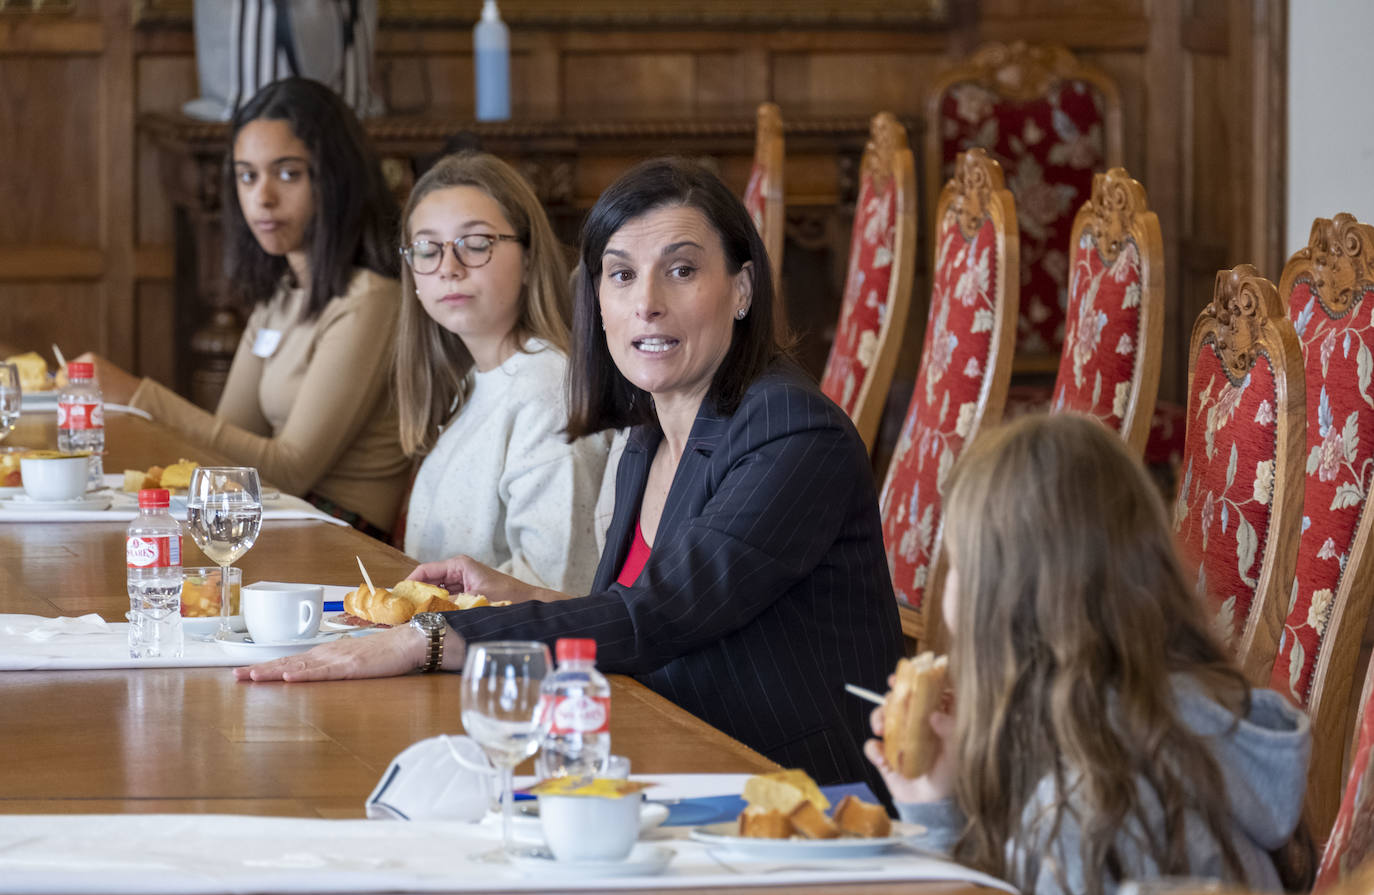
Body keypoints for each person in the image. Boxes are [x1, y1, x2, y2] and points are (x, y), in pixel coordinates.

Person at [240, 157, 905, 786]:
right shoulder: (648, 430)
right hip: (665, 753)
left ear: (741, 289)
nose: (646, 303)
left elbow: (661, 617)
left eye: (680, 271)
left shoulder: (790, 433)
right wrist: (518, 596)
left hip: (786, 796)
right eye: (621, 275)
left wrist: (431, 638)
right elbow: (637, 614)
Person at [865, 413, 1311, 895]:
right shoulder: (1169, 727)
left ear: (1003, 607)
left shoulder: (1084, 809)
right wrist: (937, 806)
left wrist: (936, 823)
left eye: (958, 569)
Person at [76, 77, 407, 536]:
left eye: (288, 173)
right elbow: (224, 443)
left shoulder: (370, 300)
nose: (262, 197)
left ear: (335, 178)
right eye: (247, 175)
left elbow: (291, 469)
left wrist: (137, 396)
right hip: (279, 520)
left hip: (342, 537)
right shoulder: (281, 294)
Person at [394, 152, 610, 594]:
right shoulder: (473, 381)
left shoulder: (550, 390)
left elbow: (559, 584)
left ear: (529, 259)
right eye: (427, 249)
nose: (449, 268)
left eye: (476, 243)